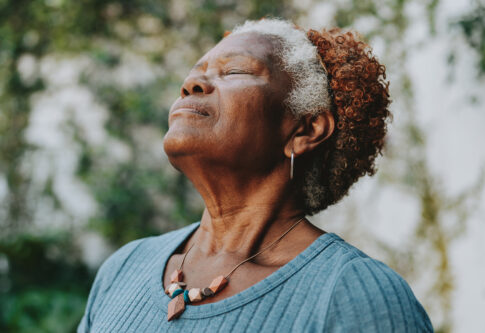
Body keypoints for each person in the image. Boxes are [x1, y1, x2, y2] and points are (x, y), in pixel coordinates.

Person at [78, 18, 433, 332]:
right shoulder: (125, 267)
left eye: (234, 71)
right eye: (194, 73)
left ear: (305, 130)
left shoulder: (353, 293)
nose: (192, 85)